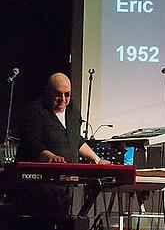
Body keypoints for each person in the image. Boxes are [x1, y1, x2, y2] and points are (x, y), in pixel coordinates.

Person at [16, 73, 110, 216]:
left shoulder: (73, 111)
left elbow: (76, 140)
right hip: (41, 186)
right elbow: (31, 143)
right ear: (48, 92)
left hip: (65, 185)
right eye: (58, 95)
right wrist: (51, 157)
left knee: (63, 227)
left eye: (67, 95)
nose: (63, 100)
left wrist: (97, 160)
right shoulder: (35, 111)